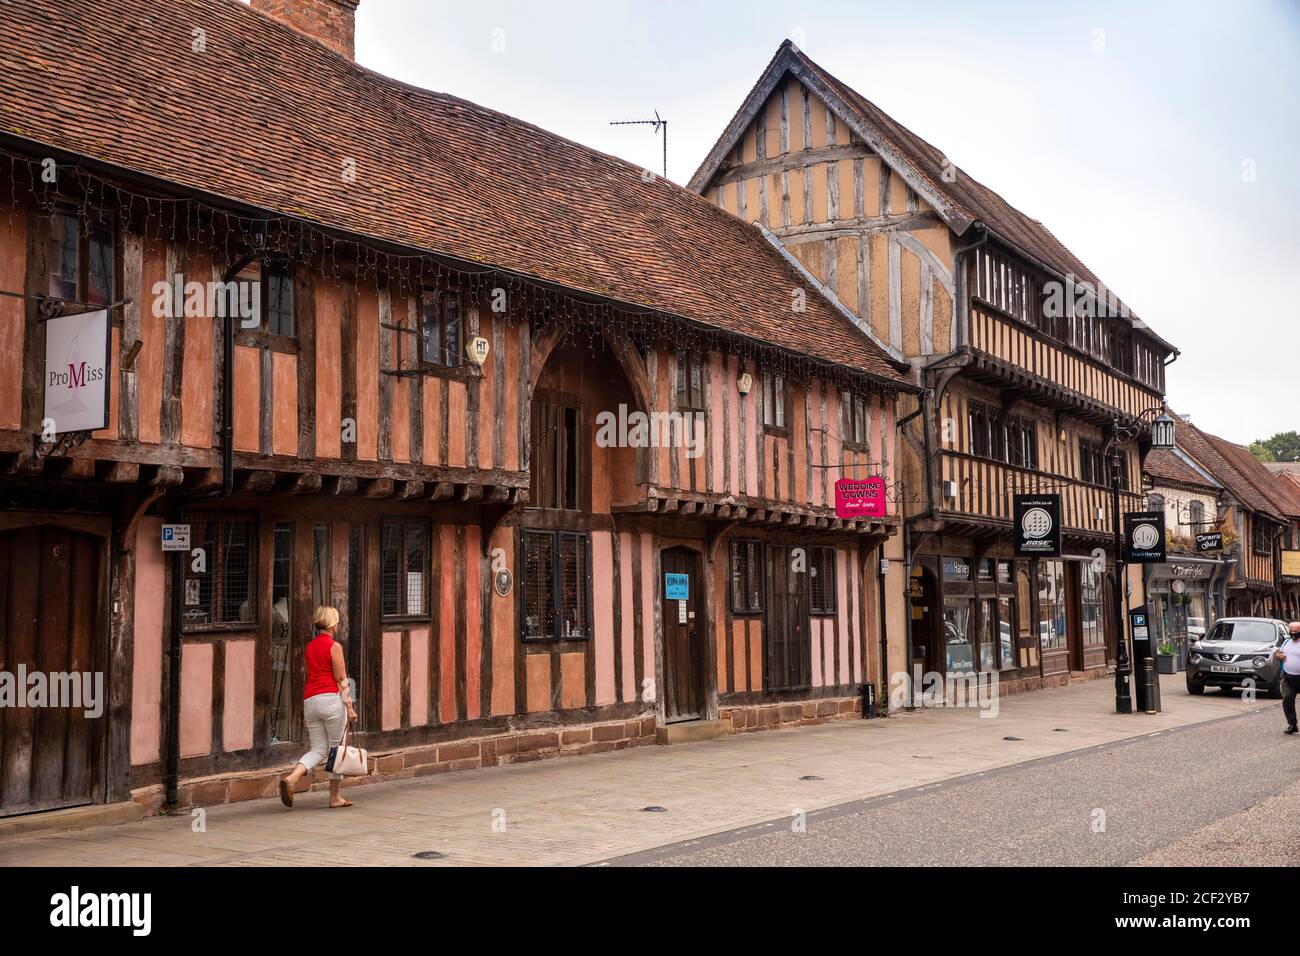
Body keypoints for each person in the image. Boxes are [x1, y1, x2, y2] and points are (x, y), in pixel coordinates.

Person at [279, 606, 359, 808]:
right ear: (333, 624)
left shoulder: (310, 647)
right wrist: (349, 707)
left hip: (311, 700)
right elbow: (341, 679)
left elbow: (311, 674)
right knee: (335, 749)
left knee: (318, 749)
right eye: (337, 621)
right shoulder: (334, 646)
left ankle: (292, 778)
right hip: (331, 700)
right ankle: (334, 797)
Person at [1274, 622, 1300, 735]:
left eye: (1295, 631)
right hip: (1288, 677)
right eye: (1291, 631)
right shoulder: (1287, 642)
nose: (1293, 633)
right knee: (1287, 699)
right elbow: (1278, 653)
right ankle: (1292, 724)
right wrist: (1278, 656)